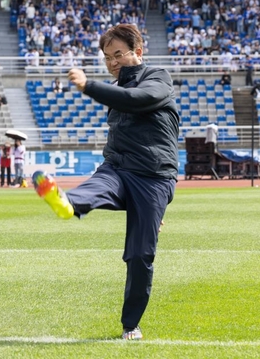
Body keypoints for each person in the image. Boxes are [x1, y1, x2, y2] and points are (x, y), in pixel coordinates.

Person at [31, 24, 180, 341]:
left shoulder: (159, 78)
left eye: (117, 54)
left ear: (137, 52)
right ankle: (68, 204)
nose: (112, 62)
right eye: (106, 57)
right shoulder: (117, 92)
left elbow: (138, 98)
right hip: (118, 167)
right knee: (99, 183)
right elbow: (123, 105)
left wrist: (89, 86)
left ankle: (131, 326)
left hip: (153, 177)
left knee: (140, 255)